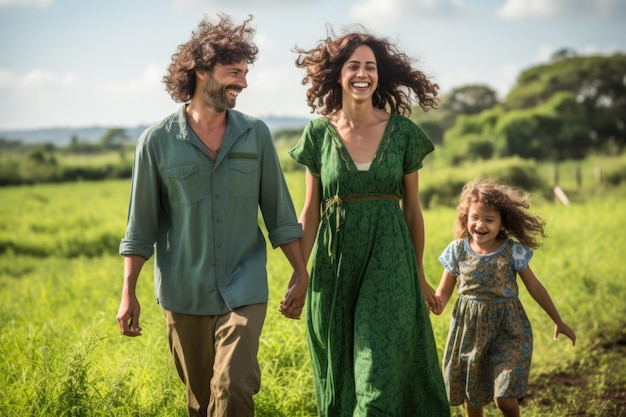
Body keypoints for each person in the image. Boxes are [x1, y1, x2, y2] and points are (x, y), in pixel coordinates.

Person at [116, 14, 308, 417]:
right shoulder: (156, 142)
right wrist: (128, 291)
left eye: (245, 72)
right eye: (233, 72)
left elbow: (280, 212)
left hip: (245, 284)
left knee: (233, 387)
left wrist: (300, 271)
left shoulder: (255, 134)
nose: (244, 82)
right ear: (201, 71)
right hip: (183, 290)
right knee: (201, 402)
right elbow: (140, 226)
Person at [282, 27, 450, 416]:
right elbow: (309, 212)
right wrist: (300, 273)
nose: (363, 74)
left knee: (377, 375)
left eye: (370, 67)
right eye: (354, 65)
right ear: (339, 73)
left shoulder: (403, 132)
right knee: (340, 371)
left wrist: (418, 274)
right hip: (335, 266)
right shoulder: (318, 133)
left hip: (390, 263)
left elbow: (412, 210)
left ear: (379, 74)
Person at [432, 178, 577, 417]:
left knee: (505, 400)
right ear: (466, 217)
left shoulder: (512, 251)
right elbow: (441, 297)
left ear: (502, 223)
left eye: (489, 220)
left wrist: (558, 320)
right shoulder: (457, 251)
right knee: (473, 396)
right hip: (469, 332)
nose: (480, 224)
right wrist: (425, 298)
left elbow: (535, 288)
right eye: (475, 217)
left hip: (508, 331)